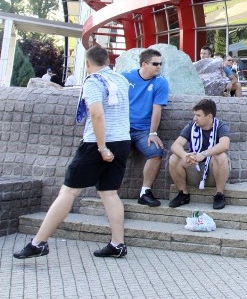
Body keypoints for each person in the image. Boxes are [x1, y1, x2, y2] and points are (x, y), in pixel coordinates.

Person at [14, 45, 131, 260]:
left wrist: (102, 147)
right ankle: (118, 244)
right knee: (110, 193)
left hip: (97, 144)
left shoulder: (94, 82)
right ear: (107, 61)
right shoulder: (121, 80)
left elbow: (96, 114)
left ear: (88, 63)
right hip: (123, 140)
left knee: (68, 192)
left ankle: (39, 242)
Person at [122, 48, 170, 207]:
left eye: (161, 64)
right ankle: (108, 191)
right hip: (122, 128)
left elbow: (157, 109)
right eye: (155, 64)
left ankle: (145, 192)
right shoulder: (125, 77)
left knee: (156, 152)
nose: (159, 67)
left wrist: (153, 133)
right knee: (112, 152)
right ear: (144, 64)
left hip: (143, 131)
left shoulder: (160, 82)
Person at [167, 98, 231, 211]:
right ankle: (183, 194)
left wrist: (204, 154)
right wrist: (184, 155)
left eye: (198, 115)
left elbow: (224, 145)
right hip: (194, 169)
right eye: (194, 115)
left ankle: (219, 194)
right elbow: (175, 145)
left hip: (213, 171)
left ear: (209, 116)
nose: (194, 118)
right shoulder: (192, 126)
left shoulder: (221, 126)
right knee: (174, 158)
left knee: (221, 156)